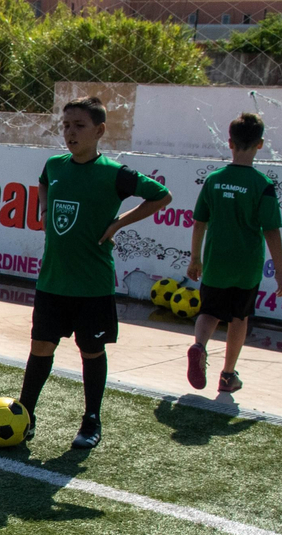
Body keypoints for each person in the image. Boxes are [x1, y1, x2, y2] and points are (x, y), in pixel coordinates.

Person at [17, 96, 172, 450]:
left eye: (79, 126)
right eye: (66, 126)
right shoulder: (55, 165)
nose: (70, 133)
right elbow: (43, 181)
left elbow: (161, 196)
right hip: (53, 280)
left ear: (99, 131)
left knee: (91, 351)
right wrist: (44, 208)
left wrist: (118, 224)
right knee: (41, 347)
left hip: (93, 286)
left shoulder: (114, 174)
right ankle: (25, 414)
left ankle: (91, 420)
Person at [185, 112, 282, 393]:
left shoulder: (214, 180)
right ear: (260, 144)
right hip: (246, 266)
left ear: (230, 142)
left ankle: (199, 346)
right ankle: (227, 375)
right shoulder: (262, 185)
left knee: (209, 311)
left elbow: (199, 222)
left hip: (216, 262)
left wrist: (195, 258)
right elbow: (272, 230)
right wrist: (280, 272)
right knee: (239, 318)